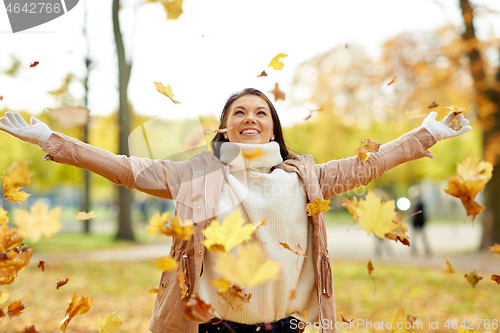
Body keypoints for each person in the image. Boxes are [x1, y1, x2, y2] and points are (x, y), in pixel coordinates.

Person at [0, 88, 471, 333]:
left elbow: (368, 164)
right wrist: (49, 139)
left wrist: (424, 135)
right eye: (240, 113)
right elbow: (127, 167)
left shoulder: (305, 176)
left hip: (284, 326)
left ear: (273, 128)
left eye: (260, 113)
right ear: (225, 130)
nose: (251, 118)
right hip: (214, 328)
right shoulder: (199, 175)